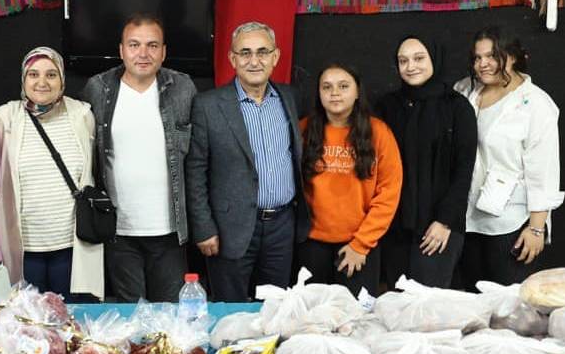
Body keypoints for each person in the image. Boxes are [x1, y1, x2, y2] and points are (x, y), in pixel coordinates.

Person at [187, 21, 308, 301]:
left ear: (275, 57)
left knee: (275, 309)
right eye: (245, 53)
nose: (254, 61)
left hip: (282, 226)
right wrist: (204, 229)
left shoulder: (289, 97)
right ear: (232, 58)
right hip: (229, 229)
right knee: (231, 313)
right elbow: (195, 171)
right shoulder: (208, 106)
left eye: (263, 52)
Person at [80, 14, 196, 302]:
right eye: (134, 45)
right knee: (130, 319)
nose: (143, 53)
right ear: (121, 50)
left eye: (152, 45)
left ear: (163, 52)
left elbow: (197, 159)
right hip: (118, 230)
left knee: (169, 318)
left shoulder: (183, 88)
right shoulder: (98, 88)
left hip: (170, 230)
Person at [454, 27, 564, 287]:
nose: (483, 64)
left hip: (512, 222)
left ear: (512, 56)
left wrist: (536, 228)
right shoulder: (465, 91)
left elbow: (543, 171)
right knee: (474, 304)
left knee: (510, 308)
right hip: (468, 219)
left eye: (492, 56)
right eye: (477, 58)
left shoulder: (536, 104)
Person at [0, 47, 103, 300]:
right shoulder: (5, 117)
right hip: (24, 248)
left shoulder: (82, 115)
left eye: (51, 75)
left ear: (62, 79)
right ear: (24, 79)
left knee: (70, 323)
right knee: (28, 326)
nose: (42, 82)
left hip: (72, 247)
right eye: (33, 74)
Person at [374, 35, 477, 289]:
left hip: (438, 228)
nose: (411, 67)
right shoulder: (386, 107)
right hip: (393, 228)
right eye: (403, 60)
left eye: (419, 58)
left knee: (428, 314)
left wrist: (445, 222)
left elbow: (464, 170)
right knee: (395, 309)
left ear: (434, 58)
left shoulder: (457, 107)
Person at [297, 63, 403, 296]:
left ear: (357, 93)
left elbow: (388, 195)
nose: (334, 93)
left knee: (356, 322)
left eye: (343, 86)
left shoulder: (379, 133)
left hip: (358, 247)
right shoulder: (302, 130)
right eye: (327, 87)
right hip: (312, 246)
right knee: (313, 321)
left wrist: (361, 244)